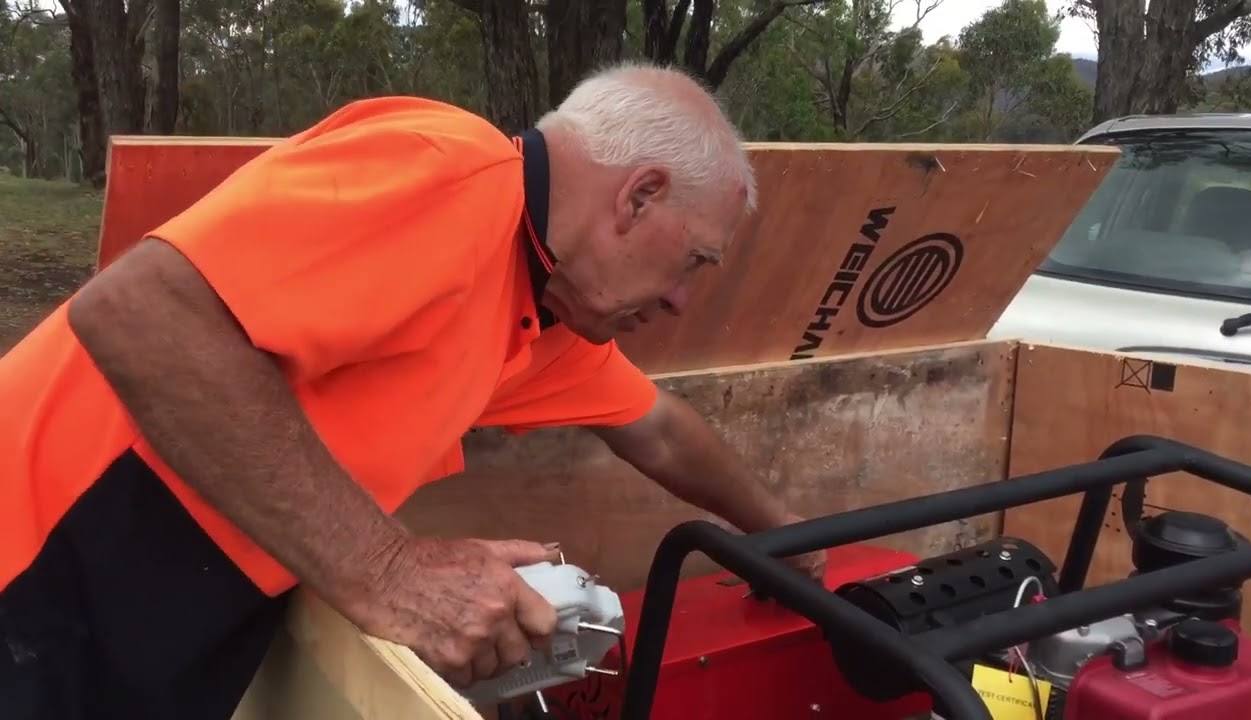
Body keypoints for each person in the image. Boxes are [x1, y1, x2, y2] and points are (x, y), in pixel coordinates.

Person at [0, 61, 826, 720]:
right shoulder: (457, 175)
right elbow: (137, 311)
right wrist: (392, 571)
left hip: (154, 616)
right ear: (639, 196)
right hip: (38, 569)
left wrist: (782, 533)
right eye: (696, 261)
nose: (684, 299)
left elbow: (660, 430)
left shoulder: (541, 310)